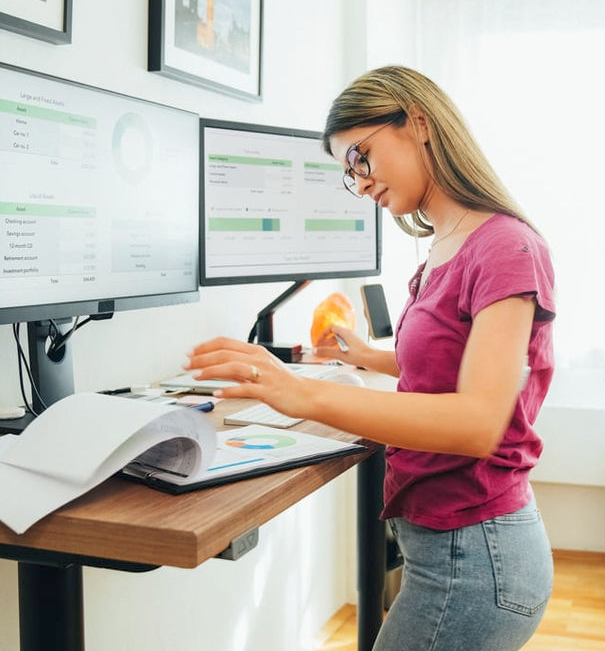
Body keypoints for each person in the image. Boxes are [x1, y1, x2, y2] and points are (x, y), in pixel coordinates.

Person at [185, 66, 555, 651]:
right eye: (347, 174)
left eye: (360, 158)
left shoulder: (506, 247)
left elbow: (478, 422)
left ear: (419, 122)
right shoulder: (444, 246)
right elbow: (447, 369)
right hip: (449, 546)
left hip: (476, 556)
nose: (359, 182)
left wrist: (301, 393)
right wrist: (370, 358)